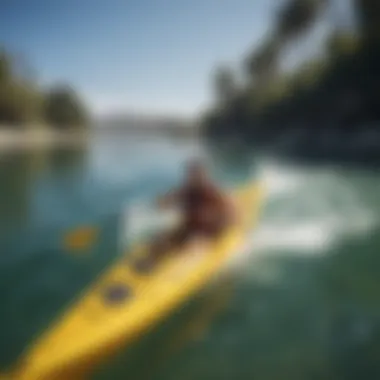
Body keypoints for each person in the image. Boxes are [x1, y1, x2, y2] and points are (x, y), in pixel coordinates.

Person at [134, 160, 236, 271]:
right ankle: (151, 262)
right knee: (160, 238)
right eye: (191, 175)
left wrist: (223, 230)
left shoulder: (214, 192)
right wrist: (161, 202)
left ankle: (172, 268)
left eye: (196, 175)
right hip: (189, 227)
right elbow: (168, 200)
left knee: (187, 251)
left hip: (207, 234)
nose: (193, 178)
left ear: (204, 176)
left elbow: (230, 213)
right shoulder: (187, 190)